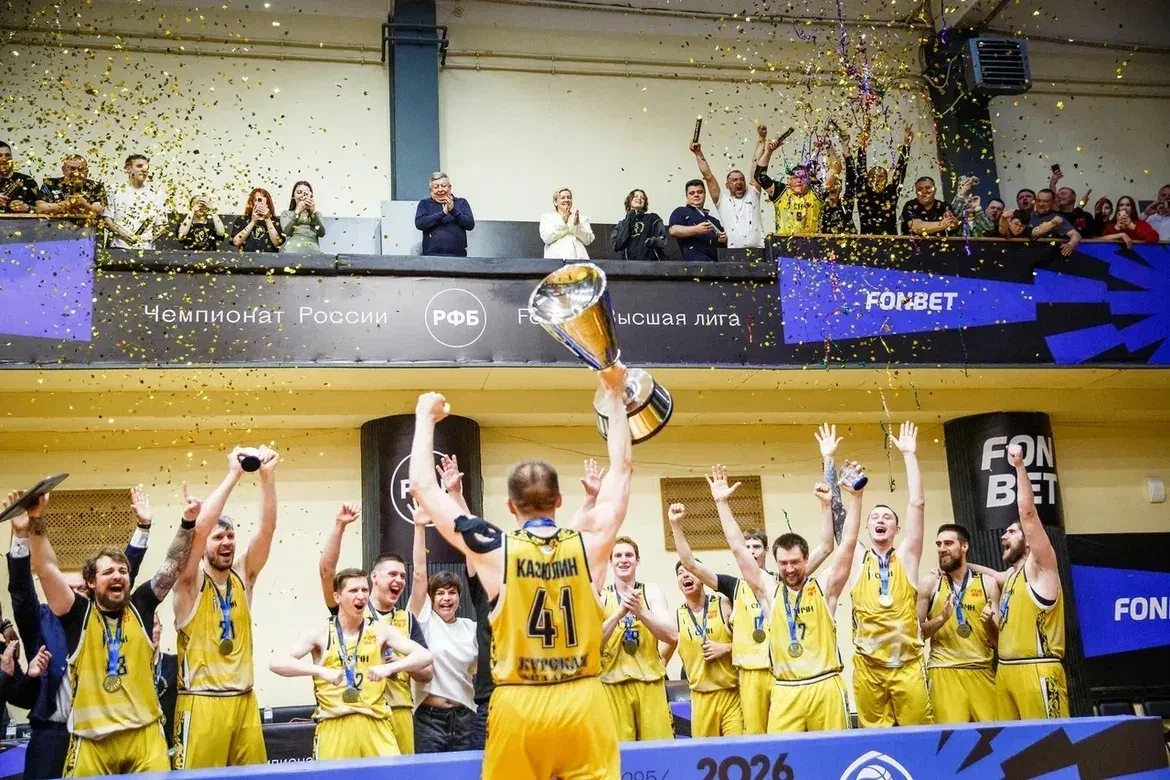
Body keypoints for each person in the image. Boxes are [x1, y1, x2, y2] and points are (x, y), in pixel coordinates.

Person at [407, 363, 632, 780]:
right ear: (559, 500)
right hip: (584, 698)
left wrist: (424, 416)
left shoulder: (495, 548)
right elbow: (621, 470)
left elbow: (422, 487)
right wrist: (615, 394)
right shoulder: (592, 542)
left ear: (511, 506)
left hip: (519, 703)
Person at [27, 486, 215, 777]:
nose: (118, 576)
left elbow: (173, 564)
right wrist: (36, 519)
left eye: (123, 571)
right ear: (91, 583)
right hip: (93, 741)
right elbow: (46, 568)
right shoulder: (77, 614)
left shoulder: (141, 604)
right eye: (108, 572)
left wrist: (187, 522)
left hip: (145, 736)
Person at [4, 488, 155, 780]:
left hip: (98, 735)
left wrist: (143, 527)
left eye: (81, 590)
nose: (74, 596)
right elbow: (21, 590)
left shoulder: (98, 619)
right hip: (53, 735)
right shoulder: (40, 620)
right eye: (68, 589)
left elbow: (123, 574)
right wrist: (22, 535)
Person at [170, 446, 279, 770]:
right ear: (205, 546)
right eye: (219, 537)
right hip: (202, 701)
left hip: (244, 699)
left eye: (231, 536)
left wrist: (267, 478)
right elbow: (198, 532)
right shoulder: (189, 582)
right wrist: (234, 474)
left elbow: (267, 530)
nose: (227, 542)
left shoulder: (243, 575)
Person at [269, 568, 432, 760]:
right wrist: (320, 670)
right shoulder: (321, 633)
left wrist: (389, 667)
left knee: (393, 773)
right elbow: (276, 663)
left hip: (375, 723)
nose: (361, 596)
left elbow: (425, 656)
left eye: (364, 590)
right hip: (334, 723)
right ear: (337, 597)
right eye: (354, 591)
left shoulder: (380, 631)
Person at [839, 421, 932, 727]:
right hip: (869, 667)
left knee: (918, 736)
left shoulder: (907, 557)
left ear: (897, 528)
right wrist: (854, 496)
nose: (880, 520)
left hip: (908, 666)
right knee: (874, 739)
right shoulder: (857, 560)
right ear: (867, 528)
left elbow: (917, 504)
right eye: (875, 518)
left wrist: (909, 455)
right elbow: (846, 533)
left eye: (887, 517)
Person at [319, 507, 432, 754]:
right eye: (392, 574)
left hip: (399, 709)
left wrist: (420, 527)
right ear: (374, 578)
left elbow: (427, 673)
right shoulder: (352, 610)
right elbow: (327, 572)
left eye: (402, 576)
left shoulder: (406, 618)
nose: (399, 580)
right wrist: (339, 527)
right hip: (360, 713)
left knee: (399, 772)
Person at [979, 444, 1069, 720]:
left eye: (1011, 532)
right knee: (1010, 745)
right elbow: (991, 574)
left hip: (1038, 669)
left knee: (1049, 743)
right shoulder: (1010, 578)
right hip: (1005, 670)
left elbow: (1028, 515)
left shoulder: (1042, 566)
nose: (1003, 536)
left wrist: (1019, 467)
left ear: (1029, 541)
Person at [407, 481, 479, 754]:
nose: (446, 598)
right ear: (432, 598)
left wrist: (458, 499)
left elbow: (475, 556)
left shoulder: (470, 628)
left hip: (466, 718)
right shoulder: (424, 620)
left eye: (452, 593)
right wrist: (419, 527)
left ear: (459, 598)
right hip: (428, 720)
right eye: (440, 593)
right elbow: (419, 576)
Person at [917, 524, 999, 723]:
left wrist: (989, 623)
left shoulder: (987, 583)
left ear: (964, 547)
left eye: (948, 543)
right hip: (943, 669)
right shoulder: (930, 583)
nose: (941, 548)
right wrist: (941, 618)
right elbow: (916, 635)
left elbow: (999, 641)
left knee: (994, 737)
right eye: (938, 544)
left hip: (981, 669)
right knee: (950, 739)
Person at [598, 535, 677, 742]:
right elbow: (592, 644)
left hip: (649, 682)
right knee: (619, 752)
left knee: (658, 750)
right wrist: (618, 613)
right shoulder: (602, 596)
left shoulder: (651, 592)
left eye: (629, 555)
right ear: (610, 561)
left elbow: (672, 635)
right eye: (618, 556)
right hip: (613, 683)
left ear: (637, 560)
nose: (623, 560)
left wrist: (641, 611)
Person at [673, 560, 741, 737]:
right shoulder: (677, 617)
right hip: (700, 696)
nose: (685, 575)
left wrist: (726, 648)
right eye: (680, 573)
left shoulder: (724, 605)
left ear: (702, 577)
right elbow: (661, 657)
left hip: (731, 694)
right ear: (678, 583)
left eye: (689, 571)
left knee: (736, 749)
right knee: (705, 752)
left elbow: (749, 644)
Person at [689, 127, 766, 249]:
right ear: (727, 185)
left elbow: (756, 165)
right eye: (734, 180)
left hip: (759, 249)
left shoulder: (752, 193)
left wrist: (762, 139)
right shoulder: (722, 199)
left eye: (741, 179)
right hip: (732, 253)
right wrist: (698, 153)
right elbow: (708, 176)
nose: (739, 182)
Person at [755, 132, 822, 236]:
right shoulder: (780, 191)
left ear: (809, 180)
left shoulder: (817, 191)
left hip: (814, 244)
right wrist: (768, 152)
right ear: (789, 181)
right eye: (795, 177)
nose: (799, 180)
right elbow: (760, 176)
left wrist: (828, 147)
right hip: (784, 243)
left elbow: (834, 173)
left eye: (803, 177)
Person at [855, 124, 912, 235]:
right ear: (867, 179)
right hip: (866, 241)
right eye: (873, 176)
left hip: (891, 241)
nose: (876, 178)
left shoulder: (891, 193)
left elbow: (900, 171)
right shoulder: (863, 193)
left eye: (880, 176)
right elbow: (860, 169)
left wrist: (906, 146)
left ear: (886, 180)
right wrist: (863, 143)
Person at [103, 154, 169, 250]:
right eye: (139, 166)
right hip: (119, 247)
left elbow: (161, 225)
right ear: (128, 169)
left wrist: (147, 239)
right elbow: (107, 219)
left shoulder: (156, 194)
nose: (144, 170)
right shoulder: (114, 190)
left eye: (146, 168)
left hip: (147, 249)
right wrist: (124, 235)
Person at [415, 172, 475, 257]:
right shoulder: (425, 203)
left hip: (458, 257)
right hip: (431, 256)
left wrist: (453, 210)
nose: (440, 190)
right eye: (436, 187)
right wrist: (442, 213)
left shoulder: (461, 202)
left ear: (450, 187)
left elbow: (470, 224)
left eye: (443, 186)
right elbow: (420, 223)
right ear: (431, 190)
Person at [668, 175, 726, 262]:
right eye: (692, 193)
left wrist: (722, 239)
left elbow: (724, 243)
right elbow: (673, 230)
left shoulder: (713, 220)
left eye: (700, 192)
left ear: (705, 194)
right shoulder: (681, 211)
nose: (696, 195)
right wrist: (696, 229)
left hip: (715, 264)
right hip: (695, 264)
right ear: (687, 196)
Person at [35, 155, 107, 220]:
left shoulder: (96, 186)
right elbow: (40, 208)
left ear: (87, 171)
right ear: (63, 170)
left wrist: (84, 204)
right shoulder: (50, 184)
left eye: (81, 169)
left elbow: (100, 210)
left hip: (89, 228)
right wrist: (67, 204)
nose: (76, 173)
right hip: (55, 227)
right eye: (72, 168)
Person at [611, 189, 667, 261]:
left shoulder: (653, 218)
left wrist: (654, 242)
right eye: (635, 196)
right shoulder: (621, 224)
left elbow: (663, 239)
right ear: (629, 201)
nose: (639, 198)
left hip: (652, 264)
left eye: (642, 198)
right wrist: (629, 217)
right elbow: (617, 246)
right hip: (630, 265)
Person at [540, 188, 594, 260]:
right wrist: (563, 223)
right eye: (562, 198)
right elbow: (546, 238)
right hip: (555, 261)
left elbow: (588, 240)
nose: (566, 200)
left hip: (578, 261)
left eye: (569, 197)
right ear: (555, 202)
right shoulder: (547, 218)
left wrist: (577, 225)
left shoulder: (581, 218)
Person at [1028, 189, 1083, 256]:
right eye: (1039, 201)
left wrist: (1071, 244)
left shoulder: (1056, 218)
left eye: (1046, 201)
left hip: (1047, 255)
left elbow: (1076, 235)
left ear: (1053, 203)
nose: (1041, 204)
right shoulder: (1027, 216)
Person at [279, 181, 326, 254]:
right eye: (299, 192)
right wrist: (297, 211)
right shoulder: (286, 213)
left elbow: (322, 233)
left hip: (313, 249)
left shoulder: (317, 214)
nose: (302, 196)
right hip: (292, 249)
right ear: (293, 196)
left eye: (306, 193)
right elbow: (287, 232)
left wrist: (313, 212)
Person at [1048, 171, 1094, 236]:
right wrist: (1052, 185)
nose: (1059, 196)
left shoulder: (1086, 215)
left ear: (1073, 197)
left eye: (1063, 194)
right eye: (1058, 195)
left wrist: (1098, 213)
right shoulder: (1054, 217)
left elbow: (1095, 234)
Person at [0, 141, 40, 214]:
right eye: (0, 155)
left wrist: (27, 208)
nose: (4, 159)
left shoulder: (28, 181)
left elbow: (42, 208)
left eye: (7, 155)